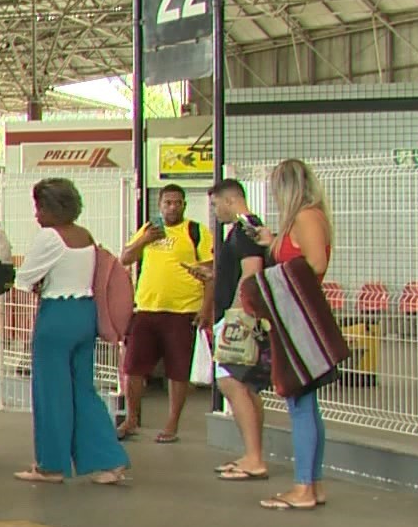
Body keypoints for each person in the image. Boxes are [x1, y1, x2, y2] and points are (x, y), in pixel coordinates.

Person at [13, 177, 129, 486]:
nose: (36, 215)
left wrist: (36, 280)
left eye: (39, 208)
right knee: (83, 391)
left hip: (57, 316)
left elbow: (24, 280)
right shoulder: (85, 236)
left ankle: (51, 466)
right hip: (85, 314)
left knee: (51, 393)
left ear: (51, 208)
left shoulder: (49, 237)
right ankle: (110, 460)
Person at [256, 159, 334, 511]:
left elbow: (315, 263)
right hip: (296, 315)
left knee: (300, 404)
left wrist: (278, 277)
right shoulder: (303, 219)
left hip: (300, 317)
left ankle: (304, 487)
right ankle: (311, 483)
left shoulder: (305, 216)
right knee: (304, 405)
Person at [117, 183, 211, 443]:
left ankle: (172, 424)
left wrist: (206, 309)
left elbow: (210, 273)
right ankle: (132, 419)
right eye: (167, 202)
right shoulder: (149, 229)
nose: (172, 207)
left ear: (184, 205)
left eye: (177, 202)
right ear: (159, 205)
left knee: (178, 370)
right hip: (147, 308)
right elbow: (125, 258)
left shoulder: (196, 231)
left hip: (182, 311)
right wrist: (145, 240)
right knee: (133, 366)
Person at [198, 178, 272, 482]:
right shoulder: (245, 230)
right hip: (237, 312)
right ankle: (252, 453)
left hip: (238, 316)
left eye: (215, 204)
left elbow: (251, 272)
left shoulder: (245, 231)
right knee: (245, 385)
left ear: (229, 200)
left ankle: (255, 458)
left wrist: (237, 315)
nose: (215, 211)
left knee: (230, 382)